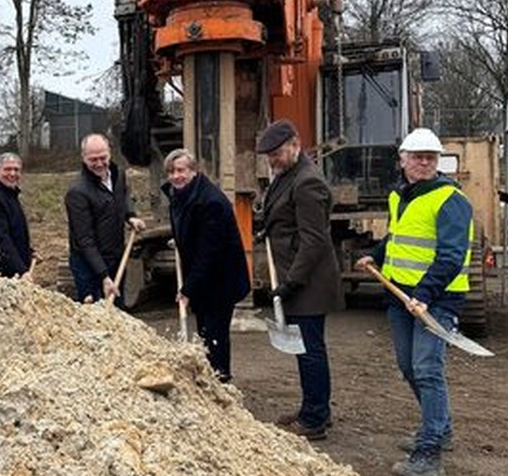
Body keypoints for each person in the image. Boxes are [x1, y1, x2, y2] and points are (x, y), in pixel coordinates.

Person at [355, 128, 473, 476]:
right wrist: (376, 256)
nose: (424, 162)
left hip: (437, 299)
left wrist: (425, 293)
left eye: (430, 157)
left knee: (427, 370)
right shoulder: (400, 195)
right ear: (403, 160)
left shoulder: (450, 200)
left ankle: (430, 452)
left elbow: (451, 256)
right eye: (418, 157)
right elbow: (398, 236)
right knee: (408, 366)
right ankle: (441, 428)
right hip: (400, 296)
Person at [256, 119, 342, 440]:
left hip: (309, 282)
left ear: (296, 144)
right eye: (269, 156)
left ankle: (314, 419)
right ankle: (314, 408)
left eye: (277, 154)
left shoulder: (307, 182)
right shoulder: (287, 175)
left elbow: (313, 240)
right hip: (298, 277)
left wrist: (291, 282)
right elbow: (284, 217)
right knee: (305, 349)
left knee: (310, 350)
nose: (272, 161)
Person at [161, 148, 250, 382]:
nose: (175, 176)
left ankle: (220, 379)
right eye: (171, 171)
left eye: (181, 170)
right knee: (204, 331)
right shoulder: (179, 194)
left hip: (221, 278)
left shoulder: (211, 202)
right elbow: (191, 228)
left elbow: (208, 252)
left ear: (193, 171)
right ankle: (208, 376)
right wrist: (180, 240)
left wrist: (187, 289)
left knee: (215, 332)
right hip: (204, 278)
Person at [64, 133, 146, 306]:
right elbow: (85, 240)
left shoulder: (118, 175)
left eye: (103, 157)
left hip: (115, 256)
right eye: (93, 159)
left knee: (117, 310)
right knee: (94, 313)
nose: (99, 163)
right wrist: (103, 276)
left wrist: (130, 216)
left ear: (110, 153)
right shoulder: (77, 193)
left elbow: (123, 196)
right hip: (88, 264)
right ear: (83, 157)